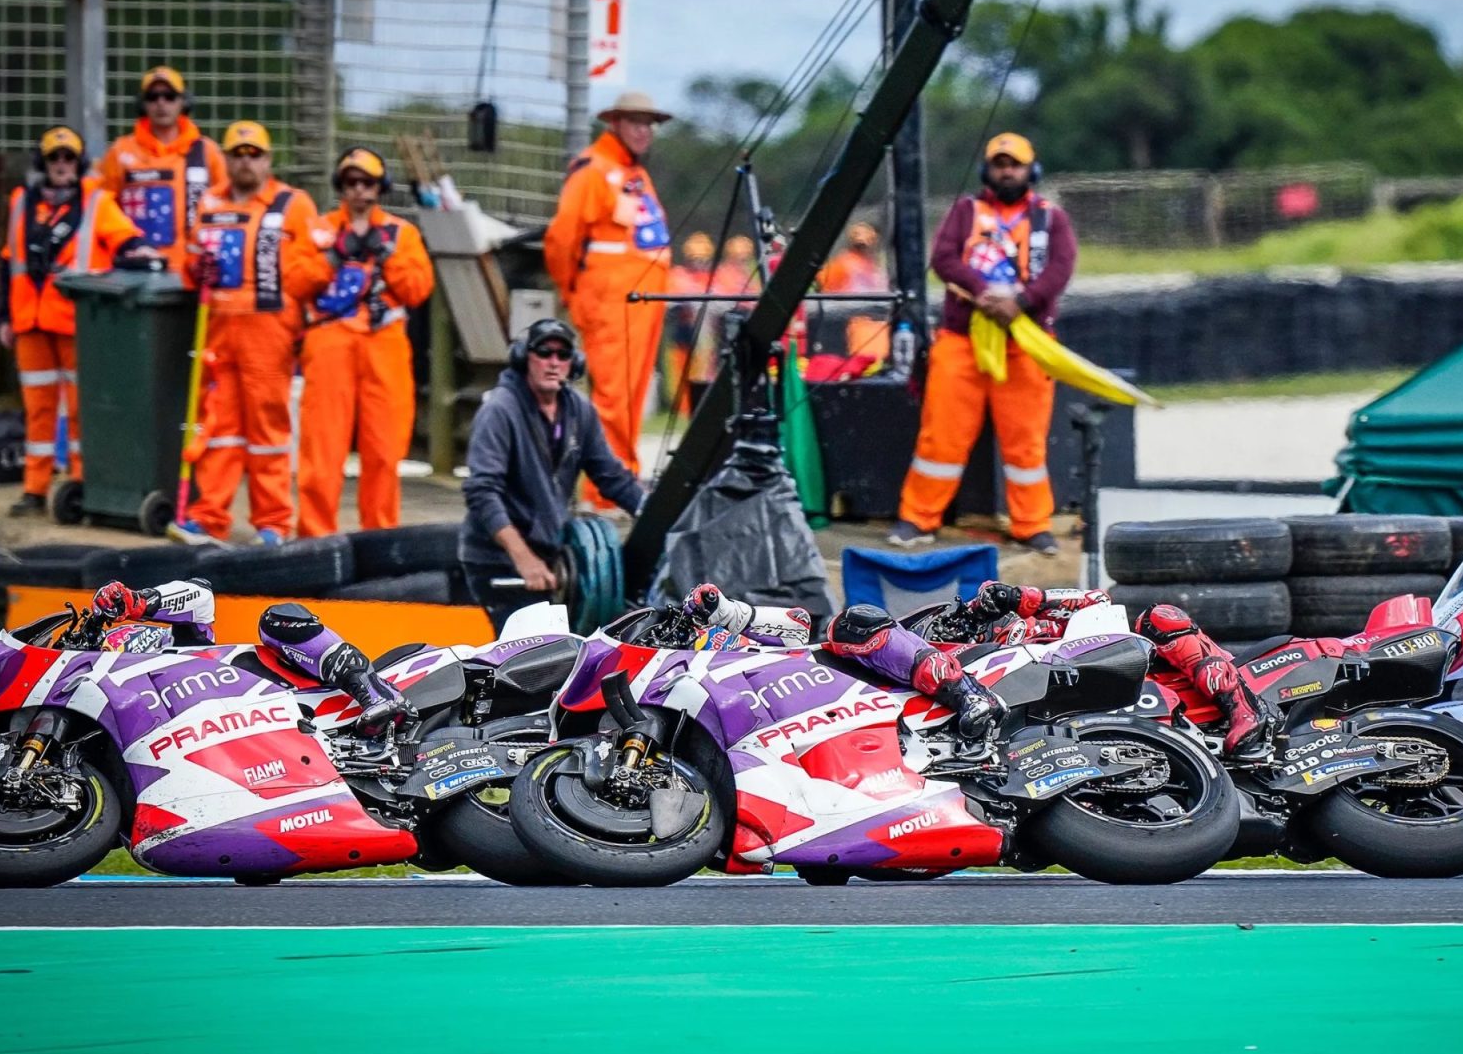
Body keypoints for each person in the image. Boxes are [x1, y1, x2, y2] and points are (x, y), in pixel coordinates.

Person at [892, 132, 1078, 556]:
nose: (1007, 170)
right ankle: (917, 518)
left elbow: (1061, 268)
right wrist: (984, 292)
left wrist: (1022, 302)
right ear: (987, 169)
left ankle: (1032, 525)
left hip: (1027, 341)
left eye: (1015, 163)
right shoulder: (965, 211)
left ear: (1032, 168)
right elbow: (943, 259)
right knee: (941, 436)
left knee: (1026, 440)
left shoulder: (1051, 218)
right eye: (999, 163)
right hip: (961, 339)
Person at [170, 122, 327, 547]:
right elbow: (188, 262)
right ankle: (208, 518)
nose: (245, 161)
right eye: (237, 153)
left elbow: (316, 269)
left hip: (268, 332)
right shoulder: (209, 203)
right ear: (227, 159)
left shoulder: (293, 204)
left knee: (267, 429)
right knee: (216, 427)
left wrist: (284, 283)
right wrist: (193, 270)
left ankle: (272, 521)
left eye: (253, 153)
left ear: (267, 160)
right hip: (217, 330)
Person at [924, 580, 1275, 756]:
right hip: (1089, 721)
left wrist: (1022, 597)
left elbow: (1098, 601)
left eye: (962, 628)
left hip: (1145, 677)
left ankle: (1243, 706)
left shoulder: (1042, 627)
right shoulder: (986, 682)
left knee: (1158, 618)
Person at [0, 126, 153, 516]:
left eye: (69, 158)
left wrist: (144, 255)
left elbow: (126, 239)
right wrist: (3, 316)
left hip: (78, 323)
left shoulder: (97, 202)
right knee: (38, 411)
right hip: (29, 323)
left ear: (79, 162)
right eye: (55, 158)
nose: (62, 165)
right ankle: (34, 490)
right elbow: (8, 262)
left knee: (84, 409)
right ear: (43, 163)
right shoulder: (21, 203)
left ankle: (82, 486)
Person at [460, 320, 645, 627]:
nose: (553, 362)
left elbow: (611, 476)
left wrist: (654, 514)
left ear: (574, 363)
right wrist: (523, 559)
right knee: (524, 662)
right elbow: (481, 492)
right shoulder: (500, 410)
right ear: (523, 358)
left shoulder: (578, 410)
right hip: (497, 561)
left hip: (548, 561)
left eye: (563, 355)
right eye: (544, 352)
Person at [542, 90, 674, 507]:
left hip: (643, 300)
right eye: (635, 122)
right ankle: (605, 493)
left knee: (633, 396)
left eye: (649, 123)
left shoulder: (634, 172)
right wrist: (572, 292)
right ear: (614, 123)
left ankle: (624, 480)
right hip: (612, 299)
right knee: (614, 396)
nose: (644, 130)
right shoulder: (593, 169)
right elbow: (562, 239)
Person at [296, 147, 435, 537]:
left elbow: (418, 288)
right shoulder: (318, 230)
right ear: (341, 186)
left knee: (384, 450)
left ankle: (380, 536)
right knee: (321, 449)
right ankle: (314, 537)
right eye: (352, 182)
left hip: (384, 343)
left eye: (367, 182)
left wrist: (385, 255)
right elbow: (294, 280)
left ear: (380, 188)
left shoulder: (400, 234)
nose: (359, 190)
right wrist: (334, 260)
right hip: (329, 341)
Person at [681, 584, 1004, 745]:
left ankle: (967, 693)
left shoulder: (728, 640)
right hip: (799, 734)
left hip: (837, 681)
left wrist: (723, 612)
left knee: (855, 623)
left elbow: (797, 624)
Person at [89, 578, 405, 734]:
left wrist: (140, 602)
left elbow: (200, 594)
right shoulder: (140, 716)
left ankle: (375, 695)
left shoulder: (185, 645)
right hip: (261, 745)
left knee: (276, 620)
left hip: (305, 694)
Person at [96, 66, 228, 274]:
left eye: (169, 96)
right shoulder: (121, 152)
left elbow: (229, 206)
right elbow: (100, 205)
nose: (161, 103)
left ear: (183, 101)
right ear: (143, 103)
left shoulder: (205, 151)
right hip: (136, 270)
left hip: (192, 272)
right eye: (153, 97)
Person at [818, 222, 890, 359]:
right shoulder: (841, 264)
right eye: (857, 235)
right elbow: (826, 296)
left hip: (879, 320)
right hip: (855, 323)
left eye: (866, 235)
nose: (862, 239)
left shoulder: (874, 265)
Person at [662, 231, 715, 416]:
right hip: (682, 330)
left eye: (701, 258)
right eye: (695, 258)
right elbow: (670, 303)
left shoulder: (713, 276)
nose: (698, 263)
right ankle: (683, 408)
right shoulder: (678, 274)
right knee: (679, 371)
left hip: (704, 333)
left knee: (702, 370)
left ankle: (698, 406)